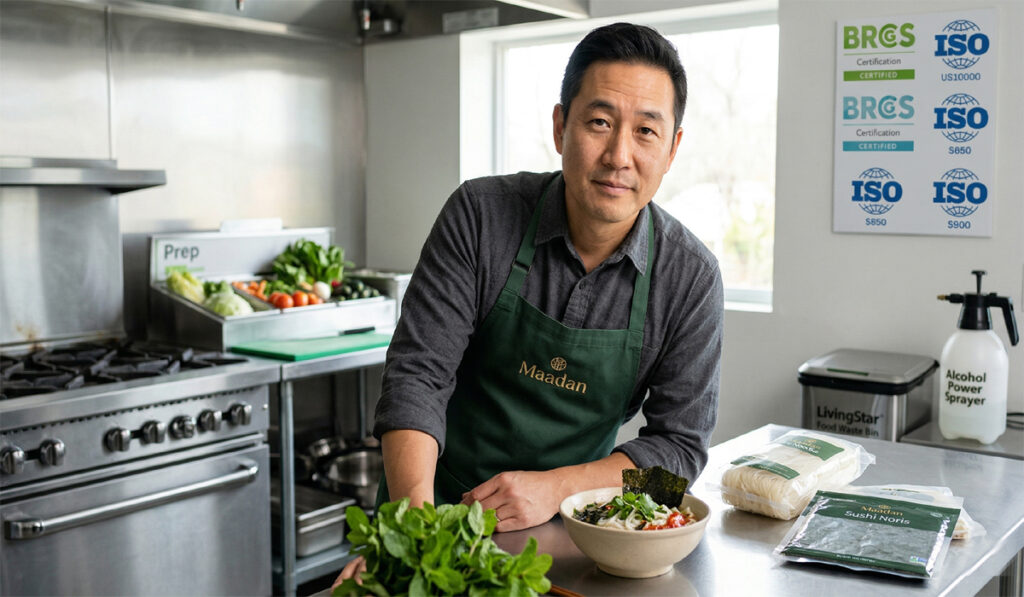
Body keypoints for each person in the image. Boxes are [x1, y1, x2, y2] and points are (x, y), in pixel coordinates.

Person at [334, 21, 722, 587]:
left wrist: (559, 488)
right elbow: (417, 375)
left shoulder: (691, 278)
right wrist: (413, 532)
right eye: (599, 122)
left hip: (573, 541)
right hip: (432, 511)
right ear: (561, 127)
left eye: (645, 131)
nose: (619, 155)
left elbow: (681, 456)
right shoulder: (480, 215)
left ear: (672, 149)